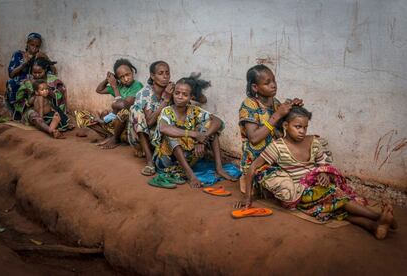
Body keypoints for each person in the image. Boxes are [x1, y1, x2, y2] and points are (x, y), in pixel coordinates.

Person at [236, 106, 397, 239]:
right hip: (301, 191)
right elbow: (253, 168)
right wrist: (247, 197)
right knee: (335, 195)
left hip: (320, 185)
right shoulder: (277, 147)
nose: (302, 131)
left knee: (333, 210)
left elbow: (322, 164)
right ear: (285, 126)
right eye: (297, 127)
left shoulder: (314, 141)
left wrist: (324, 174)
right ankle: (378, 217)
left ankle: (374, 226)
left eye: (305, 127)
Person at [152, 77, 236, 188]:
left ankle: (219, 168)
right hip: (166, 162)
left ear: (191, 97)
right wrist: (195, 134)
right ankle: (190, 175)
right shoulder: (167, 111)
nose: (180, 97)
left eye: (184, 94)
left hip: (189, 158)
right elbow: (163, 128)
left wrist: (203, 138)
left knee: (211, 131)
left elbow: (218, 121)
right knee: (170, 134)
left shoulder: (194, 110)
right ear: (173, 94)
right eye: (177, 93)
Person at [238, 64, 302, 192]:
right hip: (257, 164)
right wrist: (277, 115)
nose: (273, 85)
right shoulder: (249, 105)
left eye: (274, 80)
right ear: (255, 87)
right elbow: (254, 139)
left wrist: (295, 109)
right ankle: (249, 181)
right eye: (267, 83)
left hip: (275, 159)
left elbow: (285, 126)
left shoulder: (276, 103)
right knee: (289, 188)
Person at [128, 61, 174, 176]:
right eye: (161, 73)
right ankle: (149, 161)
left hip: (159, 136)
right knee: (135, 110)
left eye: (167, 73)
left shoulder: (172, 89)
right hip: (140, 136)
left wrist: (192, 87)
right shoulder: (144, 93)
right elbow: (148, 123)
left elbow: (202, 99)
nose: (165, 77)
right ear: (153, 76)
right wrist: (166, 100)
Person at [5, 32, 56, 118]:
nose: (34, 48)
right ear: (27, 44)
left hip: (35, 81)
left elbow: (53, 72)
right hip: (20, 82)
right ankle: (16, 110)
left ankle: (37, 110)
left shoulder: (39, 57)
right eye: (32, 45)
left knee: (40, 86)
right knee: (12, 83)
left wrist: (46, 58)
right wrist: (24, 64)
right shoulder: (18, 54)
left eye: (37, 46)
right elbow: (11, 74)